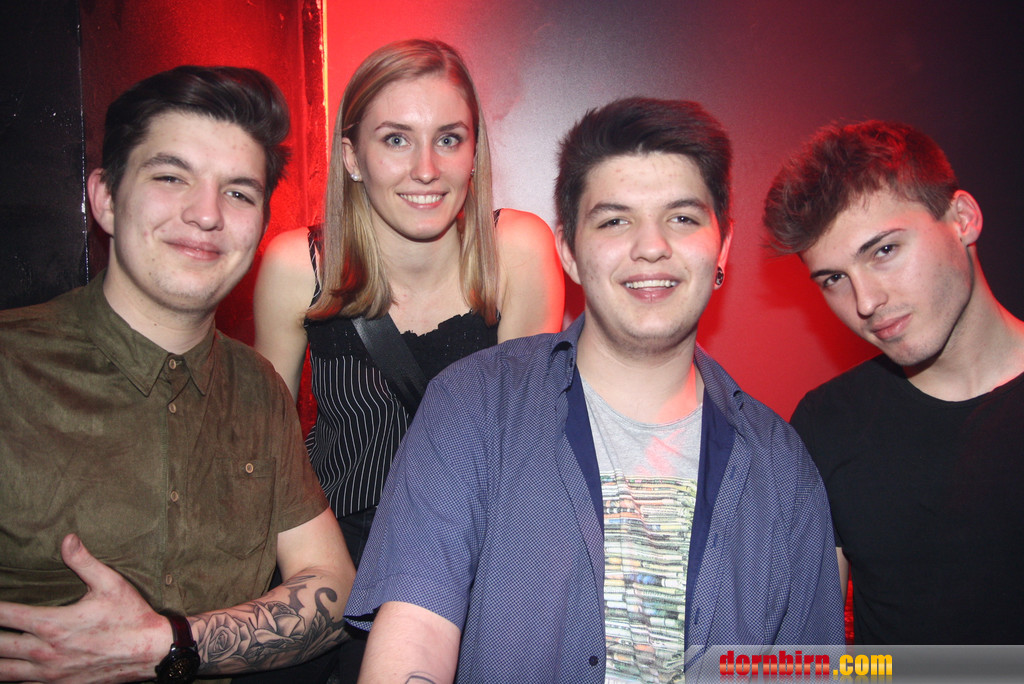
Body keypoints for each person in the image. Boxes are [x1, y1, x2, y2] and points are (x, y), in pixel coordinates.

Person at [345, 97, 844, 683]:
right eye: (614, 221)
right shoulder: (473, 406)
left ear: (723, 246)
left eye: (683, 218)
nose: (651, 246)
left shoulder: (781, 469)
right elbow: (416, 634)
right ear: (569, 252)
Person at [0, 66, 354, 684]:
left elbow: (334, 589)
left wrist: (168, 644)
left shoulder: (259, 388)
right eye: (171, 177)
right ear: (105, 198)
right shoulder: (11, 366)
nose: (207, 214)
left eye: (239, 193)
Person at [253, 38, 564, 569]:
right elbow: (263, 454)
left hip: (472, 551)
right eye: (396, 139)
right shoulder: (299, 266)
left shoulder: (516, 250)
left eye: (448, 139)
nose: (426, 168)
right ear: (352, 157)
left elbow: (524, 446)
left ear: (473, 154)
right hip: (335, 553)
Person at [763, 120, 1024, 643]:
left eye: (883, 251)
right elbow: (807, 651)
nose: (865, 302)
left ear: (963, 219)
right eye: (834, 279)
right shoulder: (828, 422)